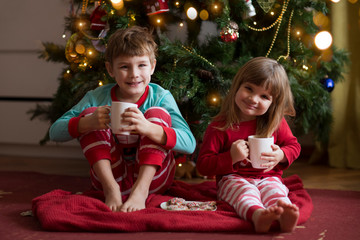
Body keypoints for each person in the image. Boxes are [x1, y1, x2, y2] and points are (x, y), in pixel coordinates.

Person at [49, 26, 196, 213]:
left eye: (141, 65)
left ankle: (140, 191)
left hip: (152, 181)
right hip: (110, 178)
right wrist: (87, 123)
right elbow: (55, 131)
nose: (134, 74)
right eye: (124, 66)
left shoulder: (160, 96)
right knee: (90, 114)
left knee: (157, 114)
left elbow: (189, 144)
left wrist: (148, 128)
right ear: (111, 69)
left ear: (152, 66)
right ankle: (112, 189)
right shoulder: (97, 96)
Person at [196, 57, 301, 233]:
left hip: (268, 176)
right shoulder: (220, 126)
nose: (253, 99)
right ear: (238, 85)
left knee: (275, 189)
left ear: (273, 103)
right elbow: (203, 166)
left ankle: (283, 214)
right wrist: (230, 157)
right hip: (233, 179)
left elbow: (294, 146)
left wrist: (281, 155)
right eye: (249, 89)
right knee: (244, 192)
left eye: (264, 96)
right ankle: (258, 215)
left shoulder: (275, 123)